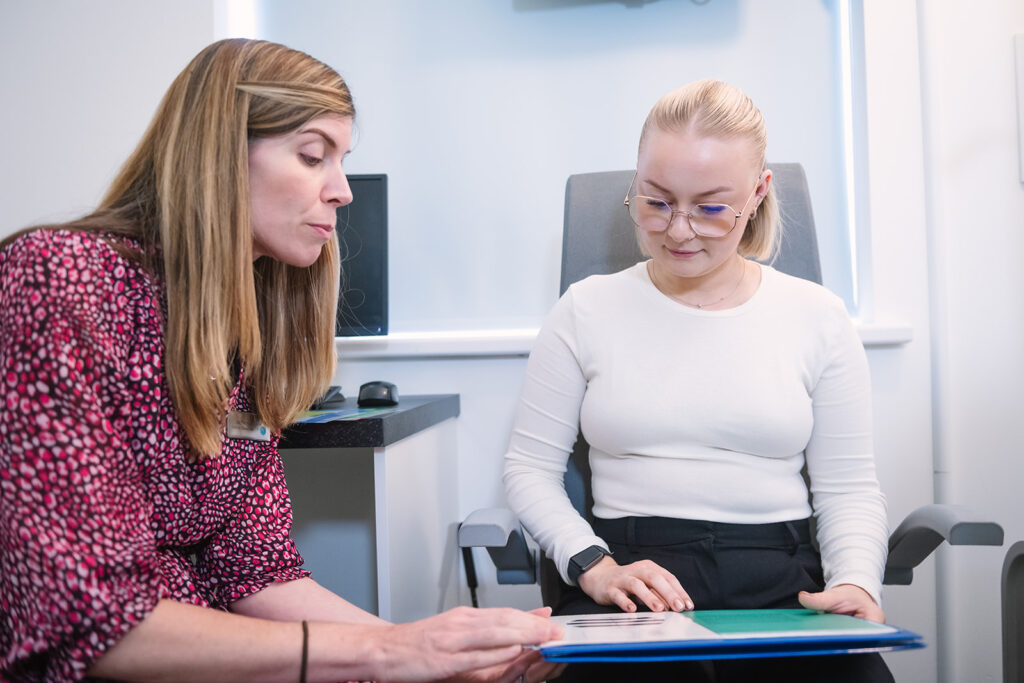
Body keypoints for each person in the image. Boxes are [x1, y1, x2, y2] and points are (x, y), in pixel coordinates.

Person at [0, 38, 563, 683]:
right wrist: (388, 654)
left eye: (341, 161)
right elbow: (94, 621)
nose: (343, 191)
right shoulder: (59, 280)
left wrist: (435, 653)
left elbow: (255, 566)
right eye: (312, 155)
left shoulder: (236, 340)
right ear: (218, 156)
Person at [503, 79, 893, 682]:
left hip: (781, 584)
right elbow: (528, 469)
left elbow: (849, 489)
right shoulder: (585, 310)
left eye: (710, 208)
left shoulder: (817, 317)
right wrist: (593, 567)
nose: (679, 231)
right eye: (656, 202)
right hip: (631, 585)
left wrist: (854, 583)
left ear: (758, 193)